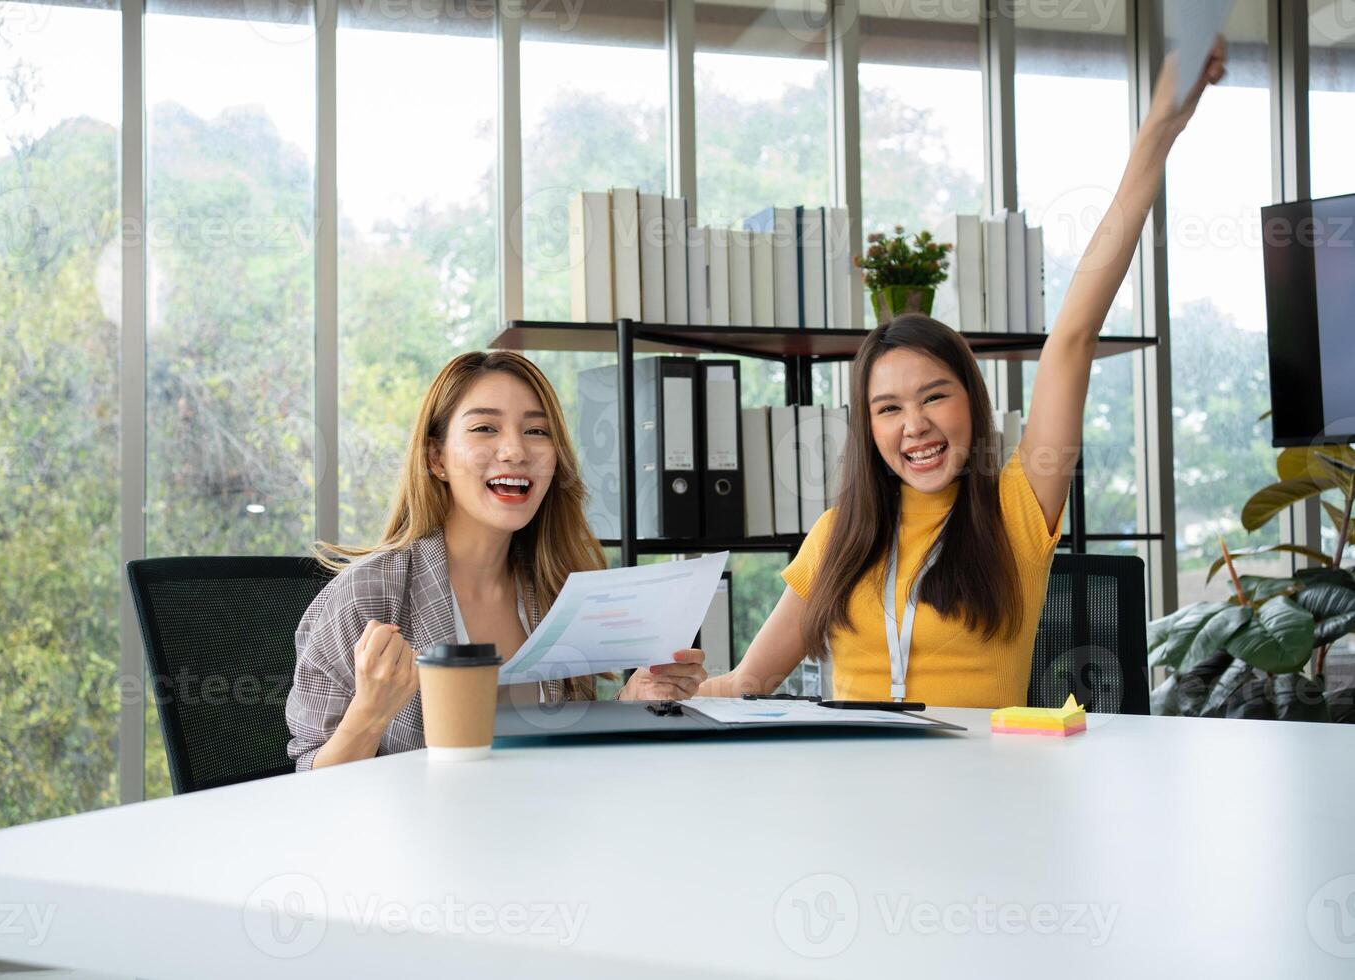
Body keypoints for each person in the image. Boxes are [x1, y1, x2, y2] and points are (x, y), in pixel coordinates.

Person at [701, 43, 1227, 707]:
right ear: (868, 429)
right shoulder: (839, 535)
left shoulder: (1017, 509)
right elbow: (749, 681)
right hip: (854, 797)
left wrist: (1159, 131)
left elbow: (1071, 340)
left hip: (983, 796)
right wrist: (671, 688)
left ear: (971, 405)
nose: (913, 425)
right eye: (887, 409)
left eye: (933, 397)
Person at [287, 351, 707, 769]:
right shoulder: (369, 594)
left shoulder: (557, 585)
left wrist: (631, 702)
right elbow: (309, 788)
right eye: (485, 428)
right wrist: (370, 712)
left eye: (536, 430)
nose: (515, 450)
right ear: (437, 459)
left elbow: (561, 756)